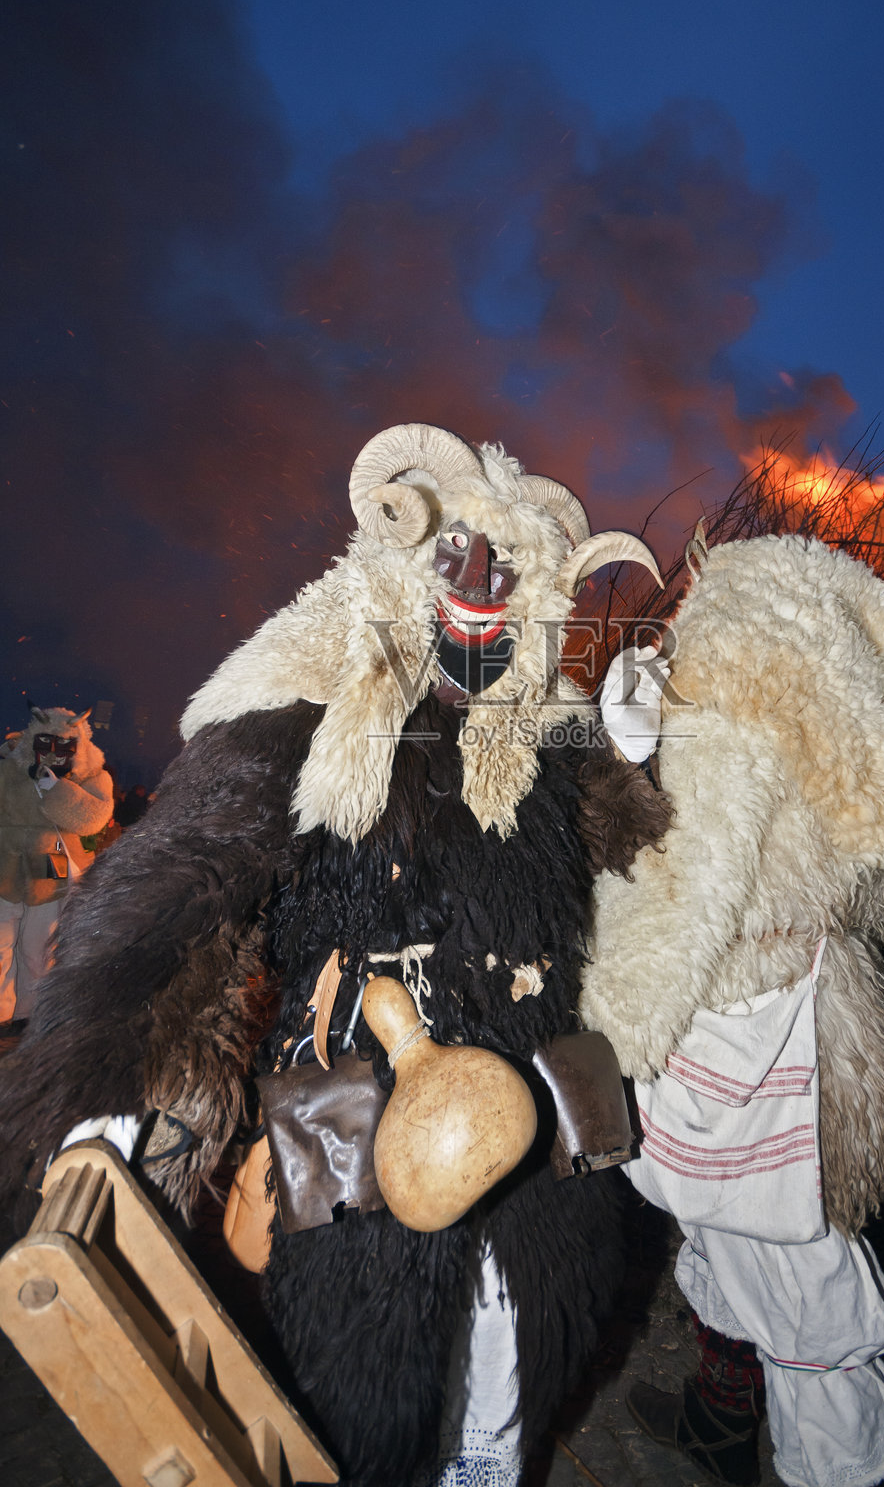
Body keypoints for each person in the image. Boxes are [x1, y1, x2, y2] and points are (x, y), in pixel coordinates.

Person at [0, 424, 671, 1487]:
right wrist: (118, 1055)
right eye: (458, 553)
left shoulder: (543, 725)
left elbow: (628, 837)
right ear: (404, 558)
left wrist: (636, 752)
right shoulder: (314, 704)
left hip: (539, 1092)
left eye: (510, 564)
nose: (485, 579)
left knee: (514, 1359)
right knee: (364, 1388)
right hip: (359, 1085)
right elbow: (192, 866)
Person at [580, 529, 884, 1487]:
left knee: (794, 1283)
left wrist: (607, 1024)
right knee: (748, 1246)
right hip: (813, 1014)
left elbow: (683, 903)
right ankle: (722, 1422)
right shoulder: (858, 723)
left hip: (728, 1036)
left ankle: (861, 1471)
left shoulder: (729, 720)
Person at [0, 704, 113, 1026]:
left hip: (52, 874)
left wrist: (57, 789)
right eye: (45, 742)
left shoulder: (93, 776)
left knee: (38, 950)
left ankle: (29, 1013)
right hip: (4, 868)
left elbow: (93, 820)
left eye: (64, 745)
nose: (54, 752)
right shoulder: (10, 770)